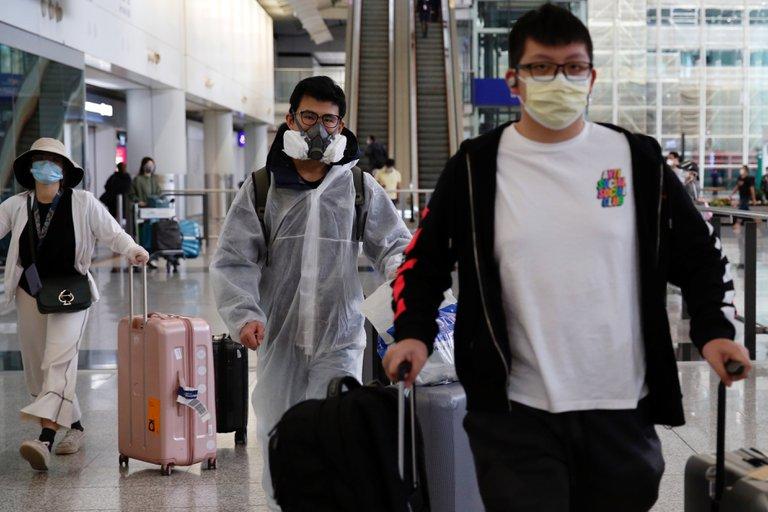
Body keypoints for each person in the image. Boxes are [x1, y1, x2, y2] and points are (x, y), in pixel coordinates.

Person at [382, 5, 751, 511]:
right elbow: (422, 263)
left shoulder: (636, 160)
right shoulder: (476, 167)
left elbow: (701, 255)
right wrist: (413, 334)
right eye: (541, 67)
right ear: (514, 80)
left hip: (620, 406)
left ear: (591, 77)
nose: (559, 79)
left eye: (573, 67)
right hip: (514, 410)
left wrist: (714, 331)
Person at [210, 76, 411, 510]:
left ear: (341, 126)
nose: (318, 129)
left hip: (340, 337)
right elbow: (233, 259)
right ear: (290, 120)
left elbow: (395, 245)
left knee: (335, 433)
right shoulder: (263, 187)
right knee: (278, 432)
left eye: (328, 120)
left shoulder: (358, 187)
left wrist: (404, 285)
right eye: (308, 117)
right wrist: (245, 314)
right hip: (278, 337)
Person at [0, 138, 149, 471]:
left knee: (58, 361)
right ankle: (76, 427)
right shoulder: (16, 205)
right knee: (38, 369)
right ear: (30, 169)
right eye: (40, 159)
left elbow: (112, 232)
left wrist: (132, 249)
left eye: (54, 161)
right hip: (30, 292)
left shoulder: (83, 202)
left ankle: (44, 439)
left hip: (71, 293)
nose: (47, 166)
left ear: (65, 170)